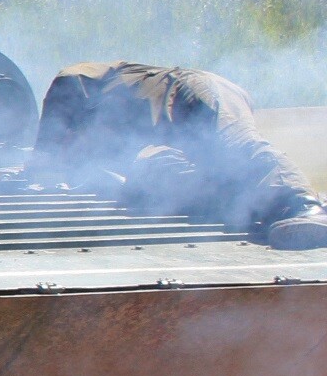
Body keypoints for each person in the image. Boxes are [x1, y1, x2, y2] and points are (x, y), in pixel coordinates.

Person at [27, 61, 327, 249]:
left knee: (235, 142)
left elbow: (49, 157)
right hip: (175, 127)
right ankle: (264, 210)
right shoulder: (107, 135)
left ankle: (305, 207)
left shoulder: (78, 79)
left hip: (190, 89)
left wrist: (35, 168)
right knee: (179, 171)